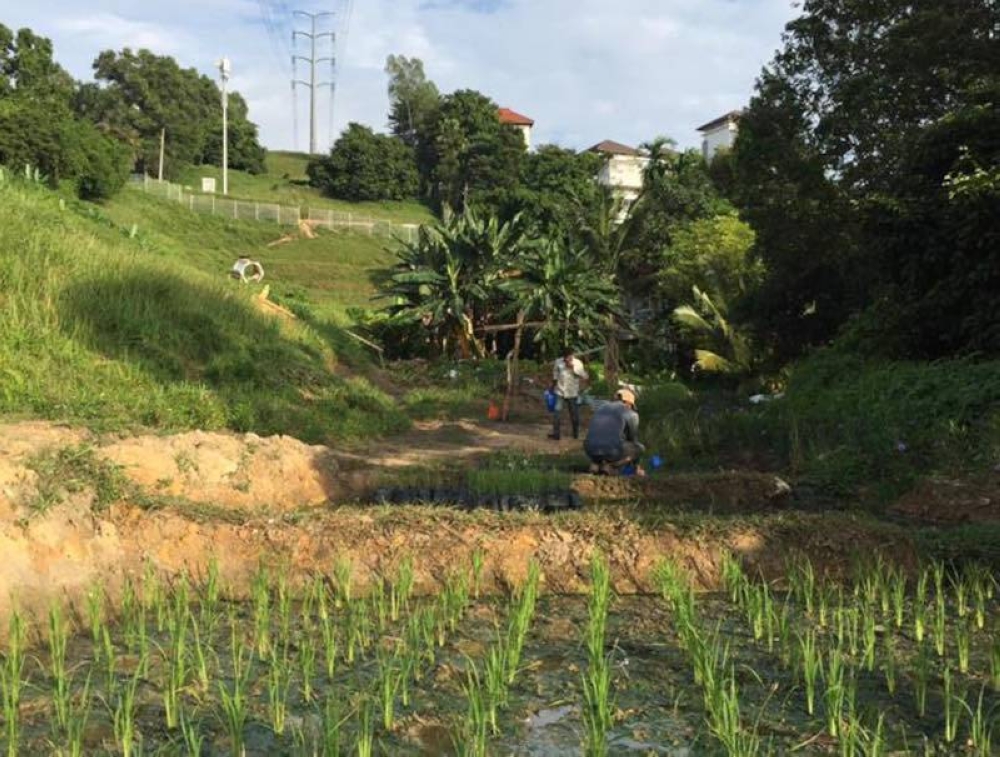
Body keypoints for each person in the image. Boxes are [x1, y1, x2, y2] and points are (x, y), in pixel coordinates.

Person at [584, 388, 646, 476]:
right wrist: (637, 465)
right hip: (612, 451)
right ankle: (611, 466)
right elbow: (633, 439)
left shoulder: (600, 408)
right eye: (632, 405)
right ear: (628, 402)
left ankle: (595, 464)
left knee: (603, 443)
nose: (631, 408)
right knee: (640, 448)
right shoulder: (631, 414)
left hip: (589, 448)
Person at [548, 348, 588, 440]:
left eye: (570, 357)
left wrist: (573, 368)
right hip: (560, 391)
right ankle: (556, 434)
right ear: (563, 357)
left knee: (574, 415)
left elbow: (585, 376)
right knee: (557, 413)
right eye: (566, 358)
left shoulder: (578, 363)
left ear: (572, 356)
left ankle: (575, 434)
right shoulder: (558, 362)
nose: (568, 360)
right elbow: (555, 376)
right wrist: (551, 387)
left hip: (572, 393)